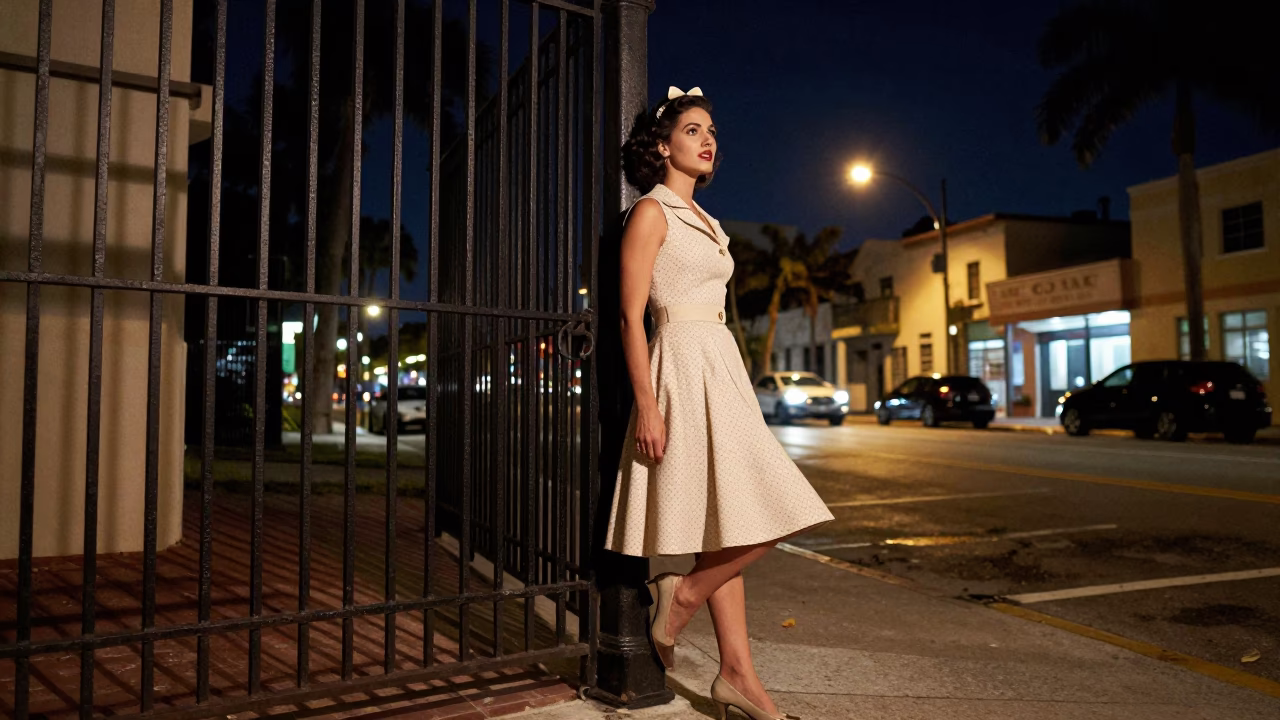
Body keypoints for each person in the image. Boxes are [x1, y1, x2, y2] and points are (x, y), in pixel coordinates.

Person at [602, 86, 835, 720]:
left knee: (740, 519)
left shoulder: (708, 221)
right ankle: (682, 607)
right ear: (662, 144)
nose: (708, 140)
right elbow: (629, 316)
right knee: (763, 513)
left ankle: (730, 666)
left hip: (721, 365)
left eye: (712, 132)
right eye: (694, 130)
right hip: (678, 361)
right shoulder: (651, 213)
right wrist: (647, 405)